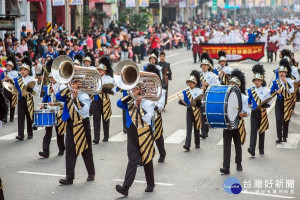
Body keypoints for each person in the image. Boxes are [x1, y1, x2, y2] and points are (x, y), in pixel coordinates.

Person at [116, 86, 156, 196]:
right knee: (132, 159)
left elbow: (148, 119)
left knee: (146, 159)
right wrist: (131, 95)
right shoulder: (129, 100)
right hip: (132, 131)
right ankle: (125, 187)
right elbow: (118, 104)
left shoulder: (148, 102)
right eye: (135, 89)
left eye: (138, 89)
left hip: (145, 132)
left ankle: (150, 184)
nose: (137, 91)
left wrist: (138, 105)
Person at [56, 80, 95, 185]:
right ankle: (69, 177)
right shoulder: (68, 92)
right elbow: (58, 96)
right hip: (70, 122)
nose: (75, 84)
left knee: (86, 148)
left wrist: (75, 98)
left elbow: (85, 110)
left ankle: (91, 172)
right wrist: (70, 88)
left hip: (82, 122)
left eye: (76, 83)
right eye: (73, 82)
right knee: (69, 148)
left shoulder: (85, 95)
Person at [220, 69, 249, 174]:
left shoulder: (243, 97)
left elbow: (247, 111)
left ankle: (238, 163)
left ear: (239, 86)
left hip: (238, 124)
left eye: (235, 84)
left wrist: (243, 114)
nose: (232, 85)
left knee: (237, 144)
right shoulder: (225, 95)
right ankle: (226, 167)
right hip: (227, 123)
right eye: (231, 83)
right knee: (226, 145)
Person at [39, 62, 66, 158]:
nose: (51, 79)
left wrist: (55, 103)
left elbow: (64, 100)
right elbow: (45, 98)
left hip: (59, 110)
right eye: (50, 78)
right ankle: (45, 151)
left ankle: (62, 148)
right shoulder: (47, 87)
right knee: (48, 132)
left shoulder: (62, 86)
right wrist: (43, 103)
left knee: (59, 131)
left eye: (53, 78)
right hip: (50, 111)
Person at [247, 64, 271, 157]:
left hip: (262, 112)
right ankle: (252, 149)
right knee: (253, 130)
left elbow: (269, 100)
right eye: (255, 80)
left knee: (261, 131)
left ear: (261, 81)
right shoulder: (250, 90)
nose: (257, 82)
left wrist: (265, 104)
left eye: (258, 80)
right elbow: (249, 102)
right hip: (254, 112)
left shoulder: (266, 90)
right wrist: (250, 105)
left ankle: (261, 148)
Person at [145, 64, 167, 162]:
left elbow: (161, 104)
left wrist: (156, 106)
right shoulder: (143, 88)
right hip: (145, 115)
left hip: (155, 114)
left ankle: (162, 153)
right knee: (145, 136)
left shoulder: (161, 91)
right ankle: (145, 156)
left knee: (158, 135)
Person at [270, 59, 294, 143]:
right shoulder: (276, 82)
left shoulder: (290, 81)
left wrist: (285, 82)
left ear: (286, 73)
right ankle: (279, 137)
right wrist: (276, 92)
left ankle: (284, 136)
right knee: (278, 119)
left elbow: (291, 91)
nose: (281, 73)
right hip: (279, 102)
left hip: (287, 102)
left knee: (285, 119)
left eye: (283, 72)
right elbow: (271, 93)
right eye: (280, 72)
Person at [92, 57, 115, 144]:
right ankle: (96, 137)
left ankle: (106, 135)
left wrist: (107, 90)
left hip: (105, 100)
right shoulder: (94, 77)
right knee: (96, 119)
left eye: (101, 70)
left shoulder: (109, 78)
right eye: (98, 70)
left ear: (104, 71)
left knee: (106, 118)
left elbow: (113, 90)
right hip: (96, 99)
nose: (99, 71)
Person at [14, 57, 38, 140]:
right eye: (21, 70)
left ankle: (30, 133)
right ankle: (20, 135)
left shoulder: (32, 79)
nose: (22, 71)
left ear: (28, 71)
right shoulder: (18, 79)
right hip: (21, 100)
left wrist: (31, 90)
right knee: (20, 117)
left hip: (29, 100)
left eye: (24, 70)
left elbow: (36, 92)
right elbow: (14, 89)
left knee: (29, 116)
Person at [179, 70, 203, 151]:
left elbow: (201, 102)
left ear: (195, 83)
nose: (190, 83)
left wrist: (198, 103)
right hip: (189, 110)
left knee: (196, 128)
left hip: (196, 110)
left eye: (192, 82)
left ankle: (197, 143)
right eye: (189, 82)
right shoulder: (186, 92)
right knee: (189, 128)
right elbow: (186, 102)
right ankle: (187, 144)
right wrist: (182, 102)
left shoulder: (199, 91)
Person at [199, 53, 220, 139]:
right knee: (200, 115)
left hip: (207, 96)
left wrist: (207, 85)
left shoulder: (212, 75)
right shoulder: (198, 75)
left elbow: (217, 85)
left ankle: (204, 132)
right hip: (199, 97)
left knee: (204, 114)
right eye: (203, 65)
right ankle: (204, 131)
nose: (204, 67)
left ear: (208, 66)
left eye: (206, 65)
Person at [0, 56, 19, 123]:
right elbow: (1, 81)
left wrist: (9, 79)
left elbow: (16, 81)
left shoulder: (15, 73)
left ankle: (11, 118)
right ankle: (4, 118)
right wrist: (3, 79)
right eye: (7, 66)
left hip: (13, 90)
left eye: (9, 66)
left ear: (12, 67)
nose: (8, 67)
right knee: (5, 104)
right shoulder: (3, 73)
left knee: (12, 104)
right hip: (5, 90)